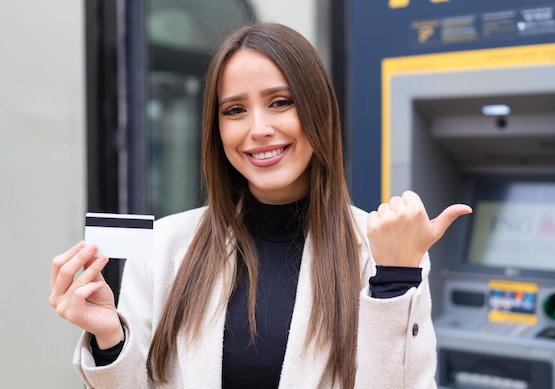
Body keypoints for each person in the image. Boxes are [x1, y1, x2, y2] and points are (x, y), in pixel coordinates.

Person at [49, 22, 471, 388]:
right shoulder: (165, 246)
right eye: (235, 110)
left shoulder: (380, 253)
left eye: (280, 102)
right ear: (216, 129)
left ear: (318, 110)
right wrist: (109, 340)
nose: (259, 129)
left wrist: (396, 279)